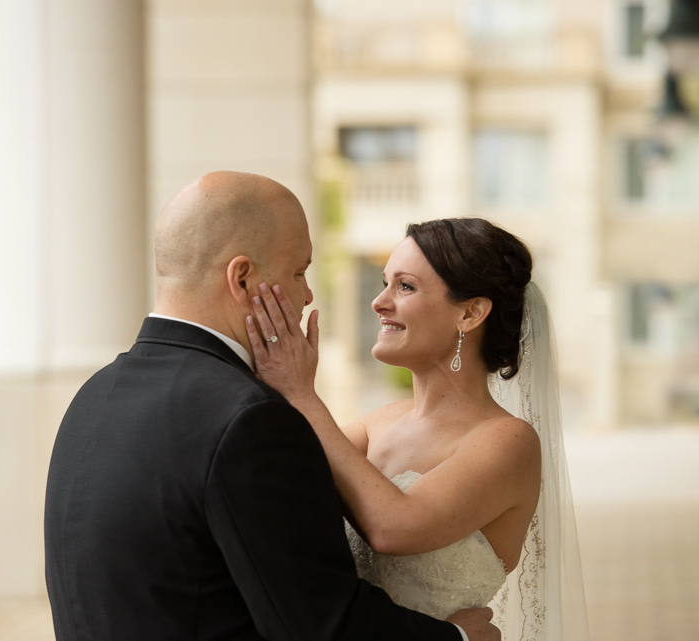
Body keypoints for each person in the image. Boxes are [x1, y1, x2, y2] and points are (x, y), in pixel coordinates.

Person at [44, 172, 498, 641]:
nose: (307, 295)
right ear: (242, 278)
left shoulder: (94, 395)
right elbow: (321, 625)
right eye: (299, 272)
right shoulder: (249, 418)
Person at [246, 218, 590, 640]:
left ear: (470, 313)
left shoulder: (507, 441)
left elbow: (392, 528)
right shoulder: (376, 424)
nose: (378, 302)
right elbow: (275, 489)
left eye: (404, 286)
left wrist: (302, 395)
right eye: (384, 282)